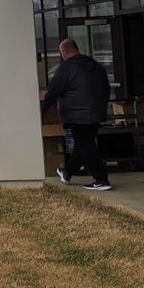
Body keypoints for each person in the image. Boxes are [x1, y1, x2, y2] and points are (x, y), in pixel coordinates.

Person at [41, 38, 113, 191]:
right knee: (84, 144)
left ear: (65, 51)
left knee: (87, 146)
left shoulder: (67, 68)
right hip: (96, 113)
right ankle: (67, 172)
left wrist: (43, 108)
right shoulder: (95, 65)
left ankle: (101, 179)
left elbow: (54, 90)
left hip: (76, 115)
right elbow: (106, 87)